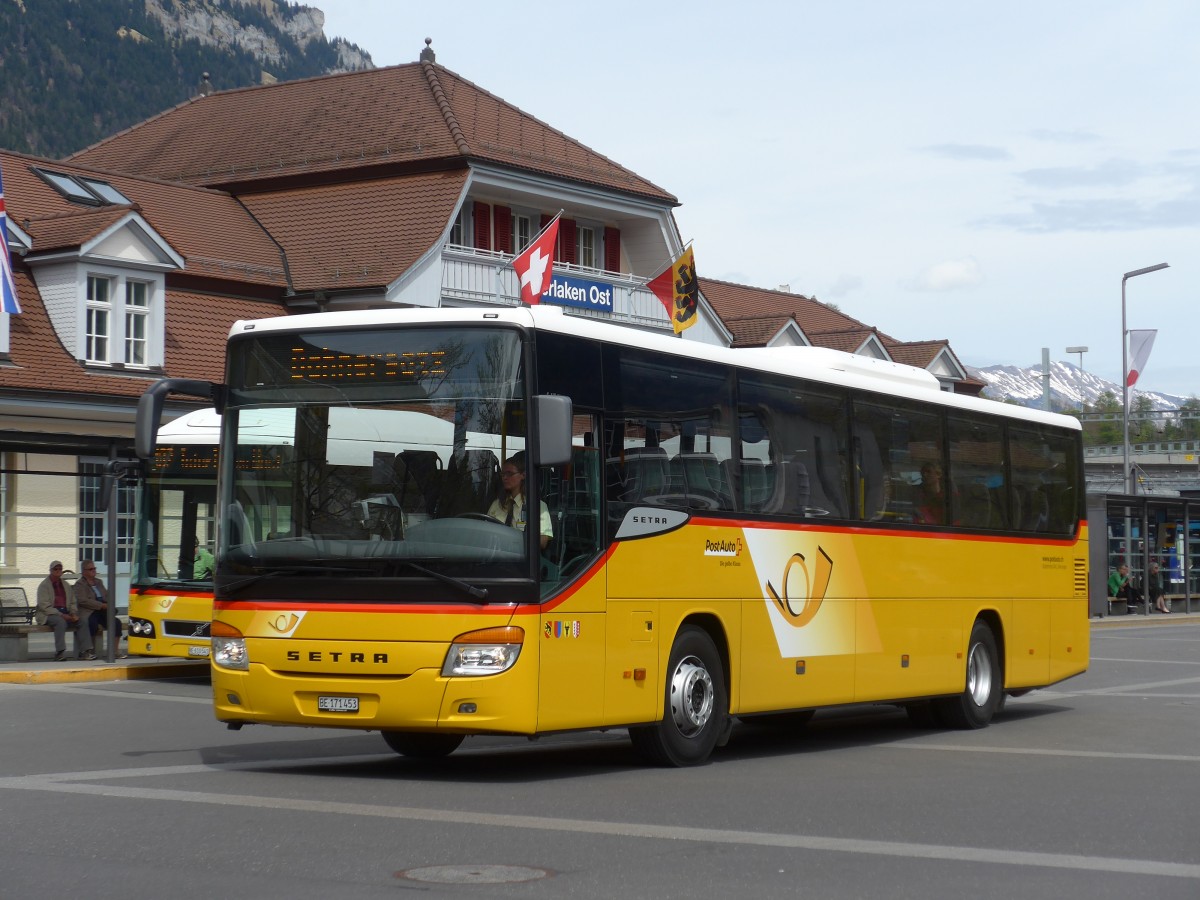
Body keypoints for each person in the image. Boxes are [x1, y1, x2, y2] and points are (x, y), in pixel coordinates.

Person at [487, 452, 553, 550]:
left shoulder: (536, 506)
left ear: (523, 475)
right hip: (495, 555)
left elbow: (542, 541)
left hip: (521, 559)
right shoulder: (497, 504)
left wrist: (519, 536)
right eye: (503, 474)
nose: (504, 478)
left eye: (509, 473)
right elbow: (485, 533)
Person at [73, 559, 126, 659]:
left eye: (94, 568)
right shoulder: (80, 584)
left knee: (116, 623)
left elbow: (106, 595)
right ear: (84, 571)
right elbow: (82, 600)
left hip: (103, 610)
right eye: (91, 569)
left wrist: (108, 604)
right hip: (89, 611)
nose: (94, 570)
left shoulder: (98, 582)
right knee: (91, 624)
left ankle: (115, 650)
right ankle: (89, 651)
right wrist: (100, 605)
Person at [34, 560, 80, 661]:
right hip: (49, 614)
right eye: (55, 569)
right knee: (60, 622)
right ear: (50, 570)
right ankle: (60, 652)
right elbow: (44, 606)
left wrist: (73, 613)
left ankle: (86, 651)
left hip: (65, 611)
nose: (58, 571)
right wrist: (61, 615)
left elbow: (73, 601)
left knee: (83, 621)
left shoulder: (66, 585)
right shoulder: (44, 586)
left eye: (60, 569)